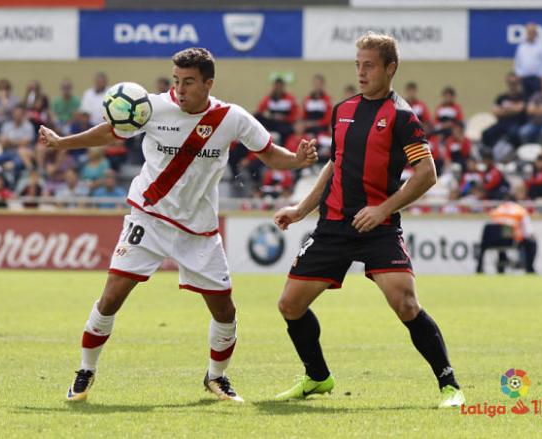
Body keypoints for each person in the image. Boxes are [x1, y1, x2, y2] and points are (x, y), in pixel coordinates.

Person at [38, 47, 317, 403]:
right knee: (111, 297)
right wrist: (63, 143)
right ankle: (85, 371)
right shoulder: (151, 108)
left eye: (188, 82)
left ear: (208, 83)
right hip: (149, 219)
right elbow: (111, 132)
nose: (180, 89)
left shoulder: (231, 118)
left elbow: (269, 153)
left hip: (198, 231)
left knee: (225, 310)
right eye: (176, 81)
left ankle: (216, 378)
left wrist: (296, 160)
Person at [271, 32, 464, 408]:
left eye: (369, 66)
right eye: (358, 65)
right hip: (333, 226)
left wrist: (382, 210)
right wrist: (300, 209)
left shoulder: (403, 117)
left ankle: (450, 385)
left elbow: (427, 173)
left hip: (379, 228)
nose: (361, 72)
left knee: (406, 304)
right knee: (290, 305)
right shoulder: (341, 110)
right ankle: (317, 377)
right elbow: (335, 163)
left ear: (391, 68)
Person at [476, 192, 537, 274]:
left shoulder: (497, 210)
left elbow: (492, 228)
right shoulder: (520, 210)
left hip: (492, 242)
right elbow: (529, 232)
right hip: (510, 240)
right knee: (531, 243)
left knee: (499, 238)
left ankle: (494, 268)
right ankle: (529, 269)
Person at [481, 72, 526, 149]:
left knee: (513, 134)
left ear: (518, 83)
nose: (512, 85)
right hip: (501, 123)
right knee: (486, 133)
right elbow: (495, 111)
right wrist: (512, 109)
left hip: (516, 124)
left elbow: (519, 109)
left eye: (514, 82)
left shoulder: (523, 96)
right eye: (510, 83)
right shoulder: (501, 97)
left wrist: (504, 110)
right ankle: (491, 152)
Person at [513, 23, 542, 101]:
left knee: (537, 100)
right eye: (529, 31)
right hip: (524, 78)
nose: (530, 33)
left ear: (536, 32)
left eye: (532, 31)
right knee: (525, 100)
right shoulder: (522, 46)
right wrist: (519, 74)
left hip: (537, 79)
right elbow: (517, 61)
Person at [255, 77, 299, 143]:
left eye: (280, 86)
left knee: (286, 130)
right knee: (256, 116)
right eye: (276, 86)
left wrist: (285, 118)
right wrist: (269, 116)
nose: (278, 88)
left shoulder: (290, 98)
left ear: (283, 87)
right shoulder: (269, 98)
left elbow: (295, 115)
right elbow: (260, 110)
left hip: (284, 123)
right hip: (272, 121)